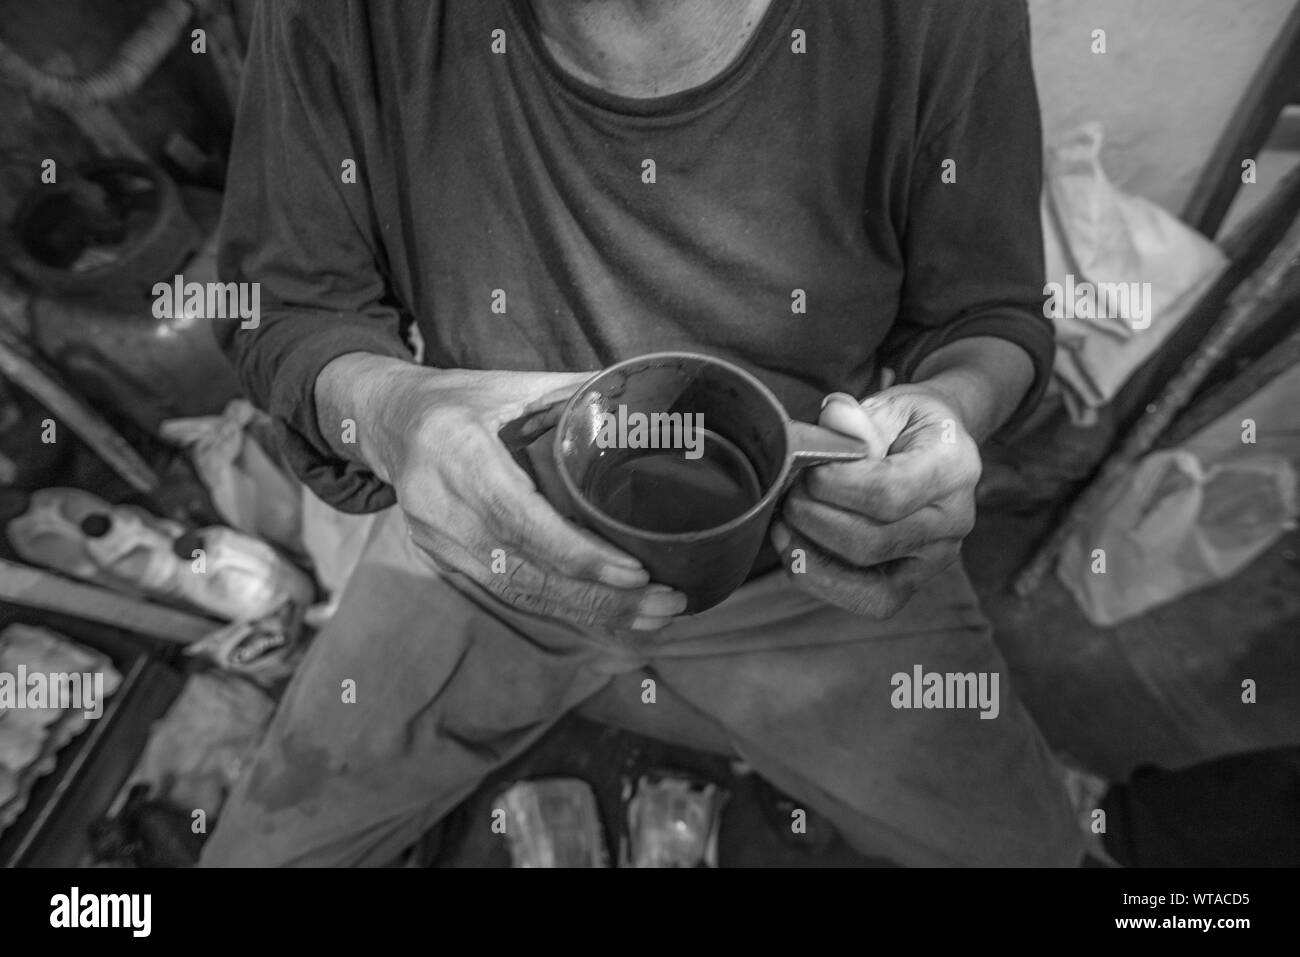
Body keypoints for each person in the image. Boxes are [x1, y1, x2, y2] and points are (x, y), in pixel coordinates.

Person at [201, 0, 1082, 867]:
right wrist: (396, 416)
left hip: (813, 558)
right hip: (485, 535)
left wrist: (950, 413)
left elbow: (985, 310)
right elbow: (289, 308)